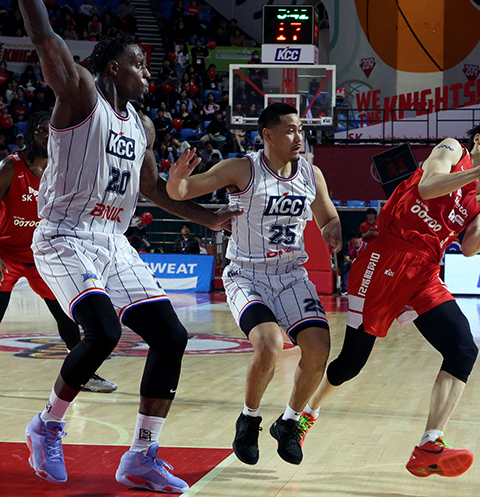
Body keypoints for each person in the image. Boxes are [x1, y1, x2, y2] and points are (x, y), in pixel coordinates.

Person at [19, 2, 240, 490]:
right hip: (64, 234)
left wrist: (211, 217)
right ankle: (47, 425)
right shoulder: (80, 94)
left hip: (113, 242)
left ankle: (141, 455)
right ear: (113, 67)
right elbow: (43, 36)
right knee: (101, 331)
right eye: (139, 63)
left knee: (171, 337)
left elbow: (154, 190)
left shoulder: (143, 125)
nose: (148, 71)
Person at [298, 116, 480, 479]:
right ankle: (305, 415)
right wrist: (479, 174)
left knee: (463, 349)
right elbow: (429, 187)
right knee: (352, 362)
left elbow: (469, 248)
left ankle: (429, 444)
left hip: (424, 271)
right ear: (479, 139)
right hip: (387, 256)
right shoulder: (452, 149)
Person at [166, 102, 342, 466]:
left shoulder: (311, 173)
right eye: (290, 130)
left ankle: (289, 422)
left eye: (300, 130)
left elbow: (327, 214)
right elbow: (182, 191)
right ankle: (248, 420)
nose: (298, 137)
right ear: (268, 135)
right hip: (247, 274)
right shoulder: (242, 168)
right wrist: (175, 178)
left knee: (319, 348)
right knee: (269, 345)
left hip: (292, 275)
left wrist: (333, 231)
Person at [0, 111, 117, 393]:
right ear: (28, 134)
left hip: (42, 255)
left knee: (67, 317)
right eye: (40, 130)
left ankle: (84, 374)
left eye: (51, 131)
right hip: (6, 256)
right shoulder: (9, 167)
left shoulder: (60, 169)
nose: (46, 136)